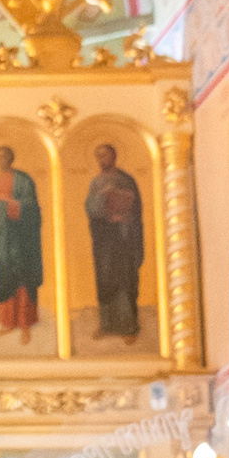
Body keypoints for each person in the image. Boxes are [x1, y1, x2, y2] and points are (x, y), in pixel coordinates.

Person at [85, 141, 148, 340]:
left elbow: (136, 208)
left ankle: (129, 327)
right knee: (105, 280)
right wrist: (102, 200)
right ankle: (106, 325)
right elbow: (90, 207)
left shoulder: (126, 180)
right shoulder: (96, 183)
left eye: (106, 155)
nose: (103, 159)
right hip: (104, 239)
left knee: (125, 280)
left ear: (114, 157)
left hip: (123, 237)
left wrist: (124, 215)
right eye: (99, 156)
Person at [0, 143, 45, 339]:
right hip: (3, 239)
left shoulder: (23, 180)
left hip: (21, 239)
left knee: (23, 278)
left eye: (3, 157)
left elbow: (31, 207)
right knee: (5, 276)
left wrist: (10, 205)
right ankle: (9, 322)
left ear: (11, 158)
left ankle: (25, 323)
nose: (0, 161)